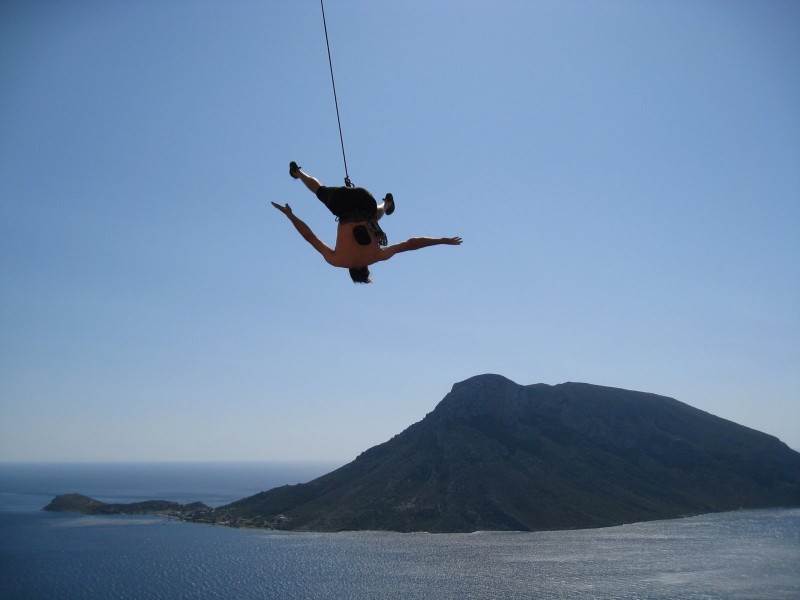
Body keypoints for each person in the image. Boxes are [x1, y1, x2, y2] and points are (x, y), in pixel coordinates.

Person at [272, 161, 462, 283]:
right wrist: (290, 215)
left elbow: (412, 243)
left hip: (365, 199)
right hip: (341, 203)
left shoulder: (377, 256)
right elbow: (310, 237)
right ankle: (298, 172)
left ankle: (386, 205)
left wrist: (442, 240)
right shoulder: (337, 260)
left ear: (366, 269)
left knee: (371, 216)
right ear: (350, 271)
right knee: (319, 190)